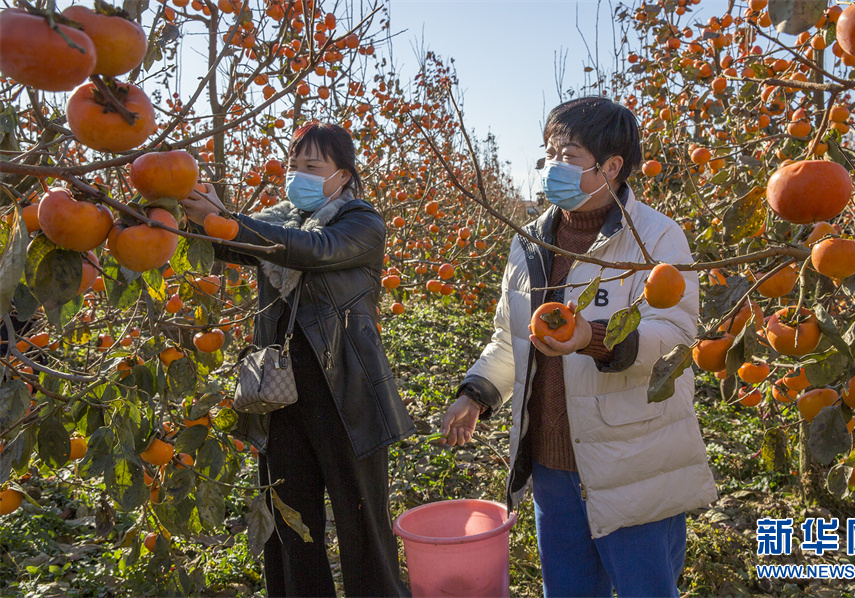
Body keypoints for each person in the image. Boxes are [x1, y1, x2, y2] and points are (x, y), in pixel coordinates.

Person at [440, 96, 718, 598]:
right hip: (552, 464)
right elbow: (511, 338)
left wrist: (592, 338)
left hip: (632, 461)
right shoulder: (530, 242)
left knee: (646, 590)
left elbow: (674, 340)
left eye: (566, 154)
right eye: (549, 152)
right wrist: (476, 394)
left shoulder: (656, 238)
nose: (551, 166)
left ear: (610, 166)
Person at [181, 121, 414, 598]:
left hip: (345, 389)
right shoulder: (280, 218)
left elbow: (311, 250)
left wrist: (226, 217)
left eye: (312, 166)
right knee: (289, 517)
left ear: (343, 176)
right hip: (279, 391)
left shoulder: (362, 223)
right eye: (293, 165)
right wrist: (190, 205)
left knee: (361, 518)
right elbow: (230, 243)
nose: (298, 175)